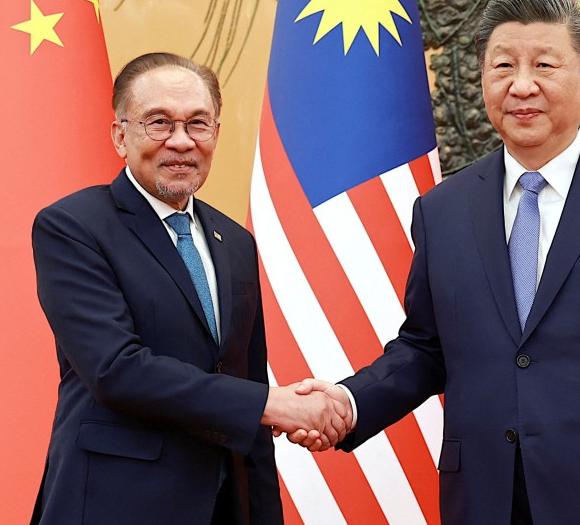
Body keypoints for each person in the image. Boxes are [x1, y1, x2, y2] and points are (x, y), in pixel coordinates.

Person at [291, 0, 580, 525]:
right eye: (502, 65)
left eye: (545, 65)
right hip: (486, 498)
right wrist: (348, 402)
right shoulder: (443, 211)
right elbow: (426, 350)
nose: (521, 85)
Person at [31, 52, 348, 525]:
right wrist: (272, 404)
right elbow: (116, 370)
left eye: (198, 124)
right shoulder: (73, 227)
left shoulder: (235, 242)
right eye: (158, 123)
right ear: (120, 135)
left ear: (216, 134)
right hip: (114, 504)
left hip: (223, 504)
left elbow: (245, 380)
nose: (181, 142)